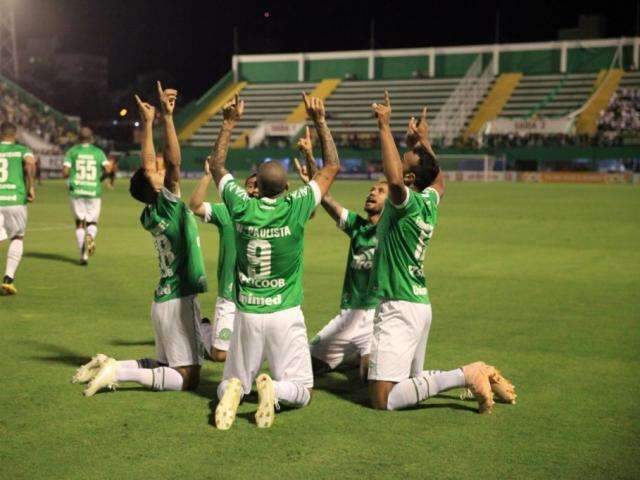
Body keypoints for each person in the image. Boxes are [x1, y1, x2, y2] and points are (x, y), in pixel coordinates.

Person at [367, 93, 516, 413]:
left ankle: (468, 374)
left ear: (409, 178)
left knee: (383, 398)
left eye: (409, 156)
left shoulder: (405, 203)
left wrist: (384, 126)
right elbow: (439, 180)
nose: (406, 154)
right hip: (419, 303)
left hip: (398, 303)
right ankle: (481, 376)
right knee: (411, 379)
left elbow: (393, 178)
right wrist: (425, 140)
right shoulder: (430, 202)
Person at [210, 93, 340, 430]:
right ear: (285, 187)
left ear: (257, 184)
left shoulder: (240, 205)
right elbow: (331, 168)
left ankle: (235, 390)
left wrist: (228, 123)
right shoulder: (296, 206)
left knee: (230, 380)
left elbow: (218, 165)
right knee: (303, 389)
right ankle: (275, 389)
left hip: (248, 312)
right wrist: (320, 121)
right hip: (285, 313)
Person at [73, 82, 208, 396]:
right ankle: (118, 371)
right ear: (154, 185)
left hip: (162, 299)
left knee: (164, 363)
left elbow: (152, 167)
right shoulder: (168, 204)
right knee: (188, 378)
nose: (161, 169)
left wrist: (149, 124)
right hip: (178, 298)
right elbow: (167, 163)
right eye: (157, 173)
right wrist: (165, 120)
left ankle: (109, 364)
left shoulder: (150, 213)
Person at [293, 126, 387, 381]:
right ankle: (349, 357)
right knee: (303, 367)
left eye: (379, 191)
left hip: (377, 318)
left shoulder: (393, 231)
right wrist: (310, 157)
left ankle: (360, 358)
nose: (371, 193)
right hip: (348, 317)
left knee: (372, 383)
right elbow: (324, 196)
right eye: (371, 190)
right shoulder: (357, 225)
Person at [189, 162, 258, 362]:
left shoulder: (273, 213)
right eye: (250, 185)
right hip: (229, 293)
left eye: (257, 185)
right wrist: (207, 176)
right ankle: (203, 328)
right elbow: (195, 206)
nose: (253, 190)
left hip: (258, 296)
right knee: (220, 355)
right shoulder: (227, 211)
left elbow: (309, 214)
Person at [62, 126, 113, 265]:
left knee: (79, 224)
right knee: (92, 222)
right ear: (91, 138)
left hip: (77, 191)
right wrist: (100, 179)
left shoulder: (72, 151)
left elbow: (65, 172)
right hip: (93, 190)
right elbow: (108, 168)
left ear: (78, 138)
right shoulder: (98, 152)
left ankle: (83, 255)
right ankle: (90, 235)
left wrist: (70, 177)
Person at [0, 121, 35, 295]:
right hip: (15, 199)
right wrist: (31, 187)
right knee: (17, 237)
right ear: (15, 135)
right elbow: (29, 163)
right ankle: (8, 279)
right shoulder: (22, 150)